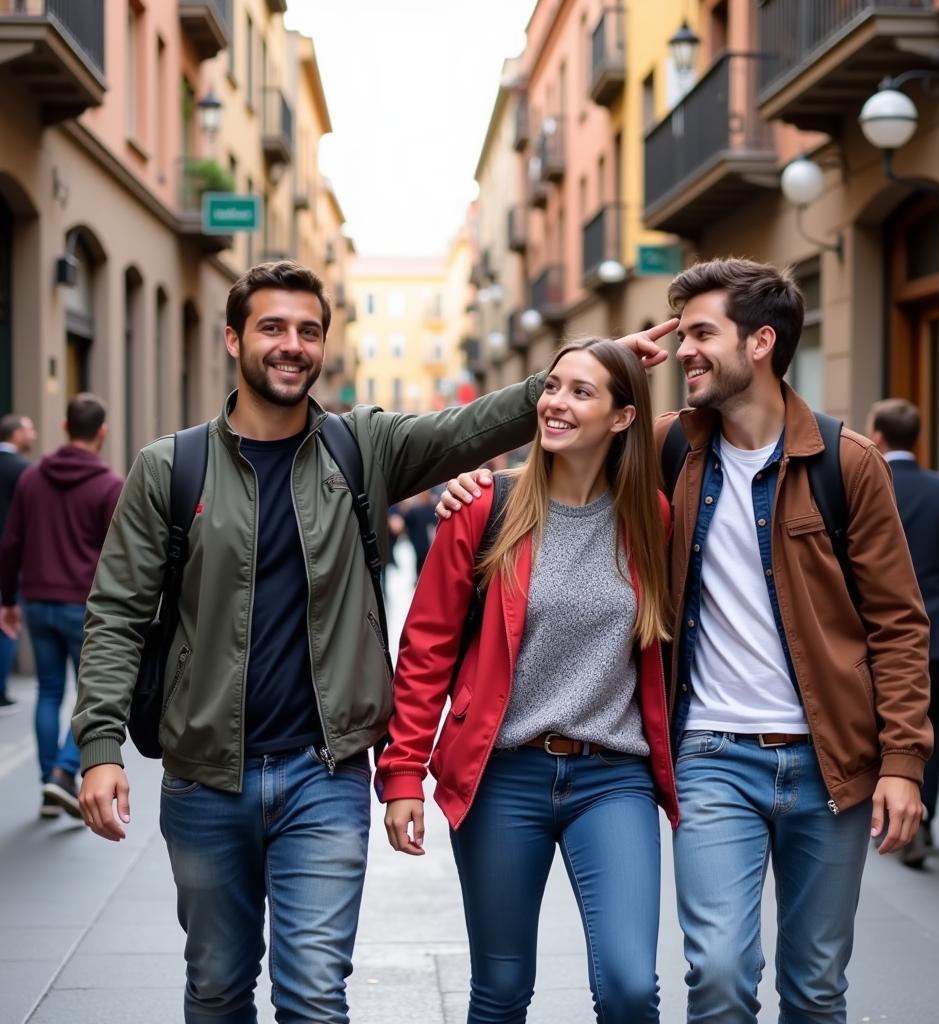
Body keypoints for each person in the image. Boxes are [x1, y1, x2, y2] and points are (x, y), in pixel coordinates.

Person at [71, 260, 677, 1024]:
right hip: (203, 777)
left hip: (323, 772)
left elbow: (470, 428)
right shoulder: (171, 466)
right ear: (233, 339)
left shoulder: (361, 449)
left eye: (308, 330)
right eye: (272, 328)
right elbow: (118, 612)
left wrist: (587, 370)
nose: (292, 345)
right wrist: (97, 747)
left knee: (316, 997)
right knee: (218, 985)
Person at [438, 258, 932, 1024]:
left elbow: (898, 624)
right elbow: (583, 431)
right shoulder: (669, 452)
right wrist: (476, 484)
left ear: (762, 342)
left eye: (702, 334)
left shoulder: (847, 463)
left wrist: (903, 761)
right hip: (709, 755)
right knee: (722, 976)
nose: (686, 352)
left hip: (832, 760)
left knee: (816, 987)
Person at [379, 339, 678, 1024]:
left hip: (614, 777)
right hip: (501, 777)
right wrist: (403, 777)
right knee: (502, 991)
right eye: (552, 387)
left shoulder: (651, 519)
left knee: (631, 986)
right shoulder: (485, 508)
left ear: (623, 418)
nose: (555, 403)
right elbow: (425, 649)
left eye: (581, 392)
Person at [868, 397, 939, 866]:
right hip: (938, 629)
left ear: (878, 436)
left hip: (876, 630)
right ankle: (921, 820)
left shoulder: (868, 478)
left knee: (881, 721)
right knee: (924, 724)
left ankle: (879, 815)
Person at [0, 396, 122, 818]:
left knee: (48, 691)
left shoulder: (33, 479)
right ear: (102, 432)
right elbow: (119, 555)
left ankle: (48, 783)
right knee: (88, 695)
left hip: (37, 601)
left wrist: (7, 601)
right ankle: (62, 774)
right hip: (85, 607)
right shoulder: (109, 485)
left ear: (64, 426)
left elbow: (11, 542)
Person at [0, 412, 36, 713]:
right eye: (29, 429)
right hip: (8, 558)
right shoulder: (24, 471)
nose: (33, 434)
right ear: (16, 434)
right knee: (8, 623)